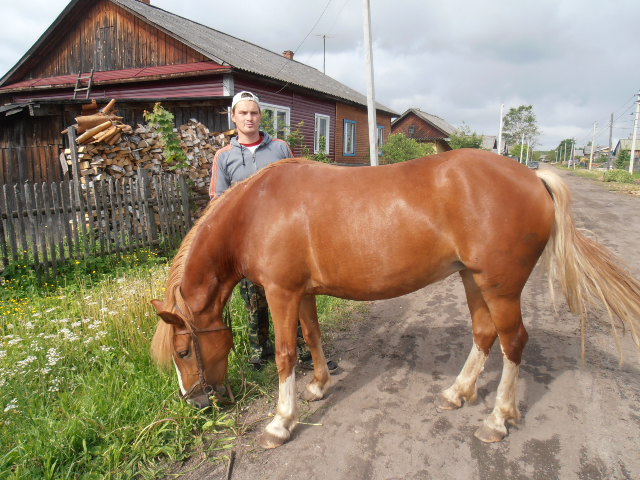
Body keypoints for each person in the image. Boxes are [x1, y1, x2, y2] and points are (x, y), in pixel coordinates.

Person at [210, 91, 337, 372]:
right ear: (233, 117)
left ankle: (306, 351)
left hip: (284, 241)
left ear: (260, 116)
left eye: (254, 113)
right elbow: (218, 202)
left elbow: (299, 186)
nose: (249, 118)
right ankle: (261, 350)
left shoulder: (280, 148)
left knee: (295, 295)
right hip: (247, 245)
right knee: (254, 301)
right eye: (243, 113)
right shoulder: (224, 156)